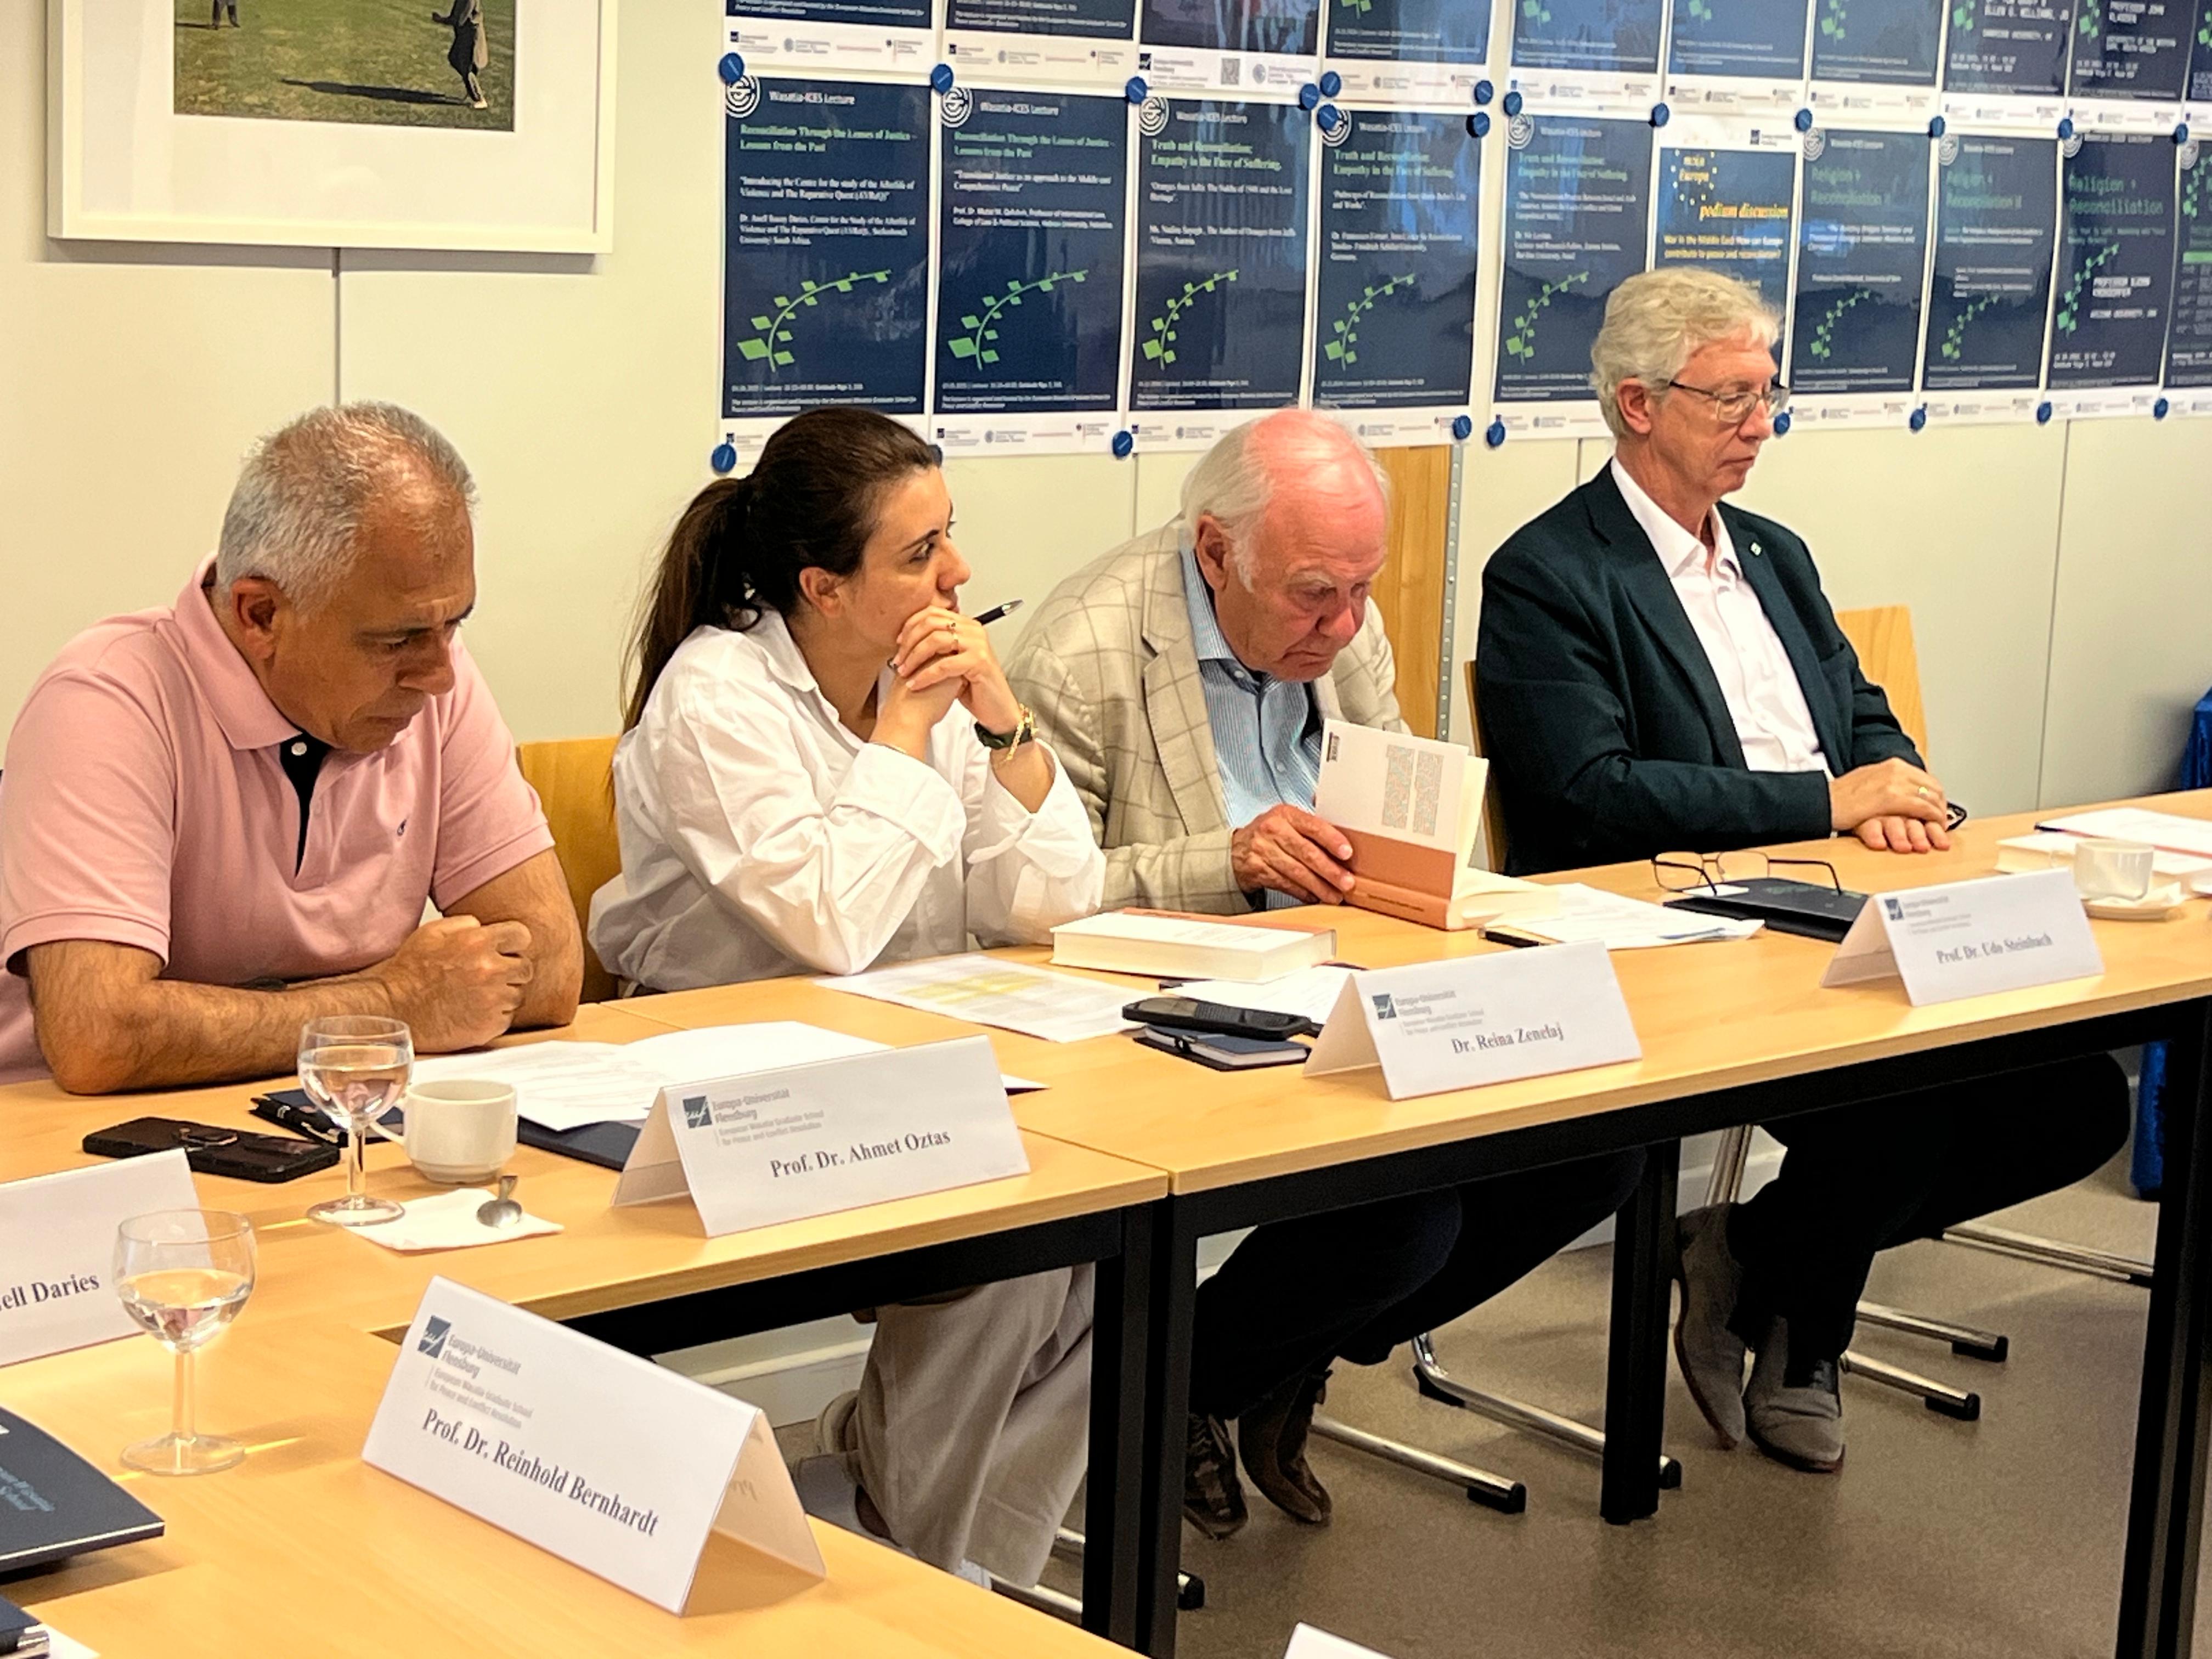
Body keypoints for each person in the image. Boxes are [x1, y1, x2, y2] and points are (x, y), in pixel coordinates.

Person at [1477, 266, 2129, 1475]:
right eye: (1729, 399)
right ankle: (1805, 1334)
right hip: (1676, 921)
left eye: (1768, 395)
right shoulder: (1549, 573)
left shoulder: (1774, 553)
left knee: (2077, 1097)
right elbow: (1588, 794)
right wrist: (1829, 802)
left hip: (1838, 897)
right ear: (1637, 405)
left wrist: (1901, 784)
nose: (1759, 426)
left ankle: (1750, 1257)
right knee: (1900, 1100)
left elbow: (1861, 714)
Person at [1007, 408, 1644, 1538]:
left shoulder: (1344, 622)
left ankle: (1268, 1362)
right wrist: (1228, 858)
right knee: (1404, 1224)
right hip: (1174, 1017)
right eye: (1314, 594)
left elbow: (1399, 798)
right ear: (1216, 551)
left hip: (1351, 974)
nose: (1345, 623)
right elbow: (1036, 901)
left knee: (1592, 1157)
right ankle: (1188, 1385)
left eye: (1362, 588)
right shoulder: (1080, 652)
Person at [590, 407, 1103, 1589]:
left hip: (897, 1065)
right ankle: (923, 1551)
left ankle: (927, 1542)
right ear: (822, 586)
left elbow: (1050, 905)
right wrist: (909, 732)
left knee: (1111, 1244)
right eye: (920, 553)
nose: (958, 573)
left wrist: (1006, 726)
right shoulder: (716, 696)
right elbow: (830, 924)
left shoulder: (918, 682)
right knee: (1021, 1251)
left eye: (950, 536)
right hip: (720, 1094)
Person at [0, 403, 582, 1092]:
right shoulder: (108, 698)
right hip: (72, 1132)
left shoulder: (433, 681)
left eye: (453, 625)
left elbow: (552, 966)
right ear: (261, 615)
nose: (440, 674)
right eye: (396, 640)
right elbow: (99, 1037)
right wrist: (393, 1003)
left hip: (321, 1111)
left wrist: (322, 1016)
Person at [433, 0, 489, 110]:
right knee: (454, 58)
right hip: (464, 34)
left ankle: (479, 99)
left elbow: (459, 20)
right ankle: (472, 85)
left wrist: (441, 20)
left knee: (466, 67)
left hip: (471, 35)